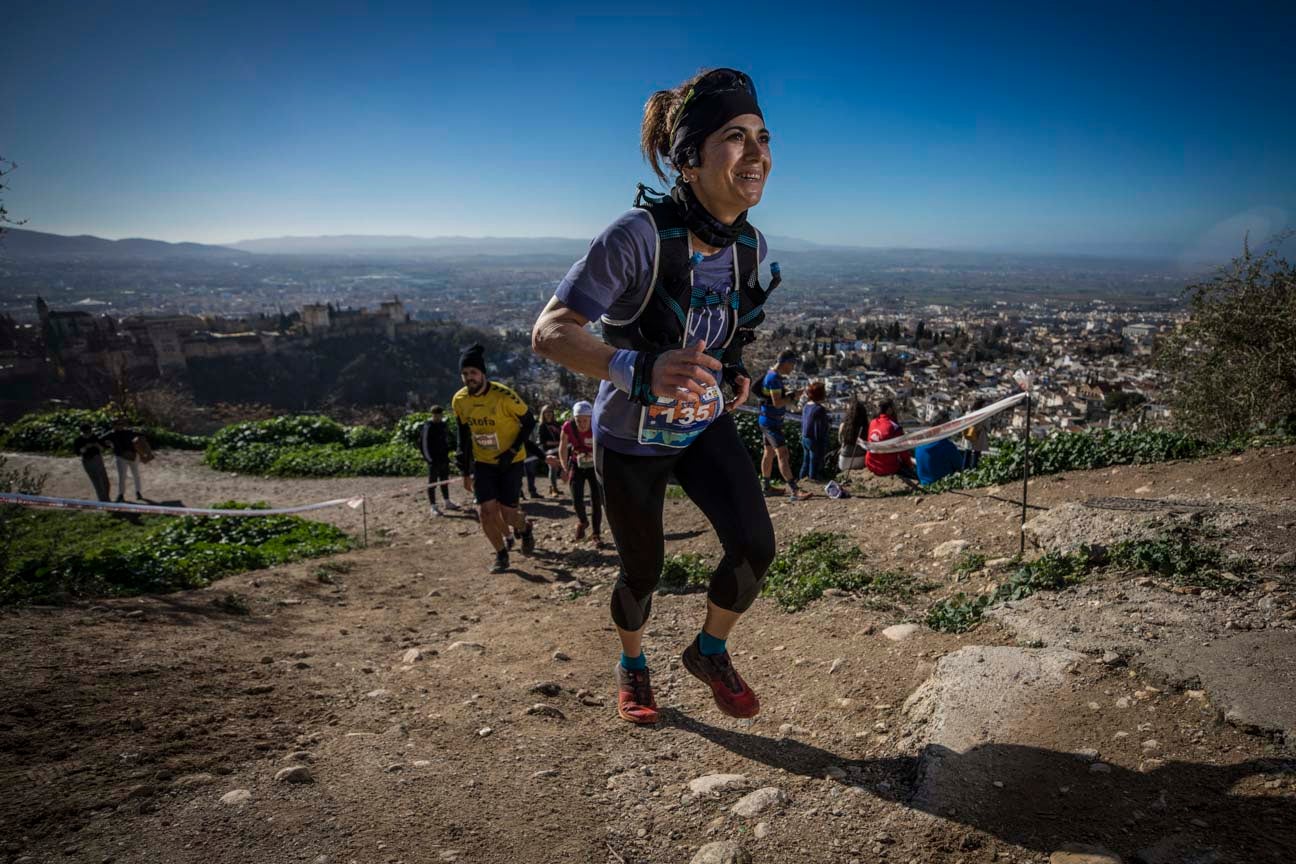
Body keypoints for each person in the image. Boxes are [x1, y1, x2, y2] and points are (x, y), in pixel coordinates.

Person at [532, 67, 779, 725]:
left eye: (762, 137)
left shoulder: (749, 247)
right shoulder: (636, 235)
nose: (757, 154)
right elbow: (549, 333)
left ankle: (708, 650)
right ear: (689, 160)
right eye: (736, 137)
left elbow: (721, 339)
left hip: (700, 427)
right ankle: (633, 664)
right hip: (631, 438)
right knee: (643, 573)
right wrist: (636, 369)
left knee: (756, 546)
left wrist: (730, 373)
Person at [451, 343, 538, 573]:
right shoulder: (459, 401)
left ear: (483, 374)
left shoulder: (504, 396)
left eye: (474, 373)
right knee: (485, 512)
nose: (470, 378)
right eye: (465, 374)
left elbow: (529, 421)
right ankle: (501, 554)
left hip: (510, 461)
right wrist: (465, 471)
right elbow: (463, 435)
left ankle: (525, 528)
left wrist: (511, 451)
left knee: (509, 516)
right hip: (483, 462)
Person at [759, 349, 811, 500]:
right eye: (793, 364)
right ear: (786, 363)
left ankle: (767, 487)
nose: (793, 367)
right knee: (783, 454)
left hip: (766, 419)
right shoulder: (774, 378)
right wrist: (794, 395)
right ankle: (794, 491)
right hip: (771, 423)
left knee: (768, 453)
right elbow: (777, 403)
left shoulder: (771, 374)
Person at [559, 400, 603, 544]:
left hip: (593, 465)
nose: (582, 424)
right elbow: (563, 447)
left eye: (585, 420)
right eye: (578, 420)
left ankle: (596, 534)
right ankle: (583, 522)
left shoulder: (597, 426)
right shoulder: (568, 427)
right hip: (576, 464)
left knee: (596, 500)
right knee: (576, 497)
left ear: (591, 418)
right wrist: (564, 467)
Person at [417, 406, 460, 516]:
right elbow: (423, 445)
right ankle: (433, 506)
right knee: (432, 483)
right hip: (433, 460)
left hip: (443, 459)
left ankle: (447, 502)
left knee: (444, 481)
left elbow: (446, 441)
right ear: (432, 415)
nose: (437, 417)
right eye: (435, 415)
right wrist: (429, 460)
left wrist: (449, 455)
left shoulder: (443, 425)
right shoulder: (428, 426)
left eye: (439, 415)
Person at [864, 399, 917, 483]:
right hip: (887, 467)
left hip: (870, 464)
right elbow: (903, 451)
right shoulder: (895, 427)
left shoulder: (873, 422)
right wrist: (909, 465)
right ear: (889, 410)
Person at [914, 412, 964, 486]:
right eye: (948, 425)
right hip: (943, 484)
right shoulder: (947, 446)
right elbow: (960, 466)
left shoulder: (919, 445)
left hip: (924, 484)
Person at [105, 418, 145, 502]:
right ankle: (121, 494)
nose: (120, 426)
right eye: (117, 424)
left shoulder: (129, 432)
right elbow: (101, 440)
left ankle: (138, 492)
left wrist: (138, 440)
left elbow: (142, 435)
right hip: (121, 457)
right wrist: (108, 444)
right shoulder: (111, 434)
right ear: (114, 426)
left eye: (121, 424)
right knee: (122, 476)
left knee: (136, 474)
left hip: (133, 456)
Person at [799, 380, 830, 484]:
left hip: (805, 437)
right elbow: (822, 427)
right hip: (814, 439)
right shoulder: (819, 409)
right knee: (814, 461)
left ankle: (802, 479)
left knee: (806, 460)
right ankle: (813, 479)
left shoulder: (806, 406)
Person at [73, 422, 111, 502]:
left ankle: (107, 499)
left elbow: (102, 449)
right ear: (82, 432)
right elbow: (78, 452)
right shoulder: (78, 440)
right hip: (88, 461)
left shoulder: (95, 437)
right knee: (98, 482)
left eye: (89, 432)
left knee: (105, 481)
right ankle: (103, 501)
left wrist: (97, 445)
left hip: (98, 459)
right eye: (86, 432)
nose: (88, 434)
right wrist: (85, 448)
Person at [837, 396, 870, 473]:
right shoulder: (867, 427)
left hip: (844, 462)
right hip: (861, 461)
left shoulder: (843, 425)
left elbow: (840, 441)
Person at [537, 405, 564, 496]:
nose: (548, 414)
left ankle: (553, 487)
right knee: (552, 469)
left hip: (558, 450)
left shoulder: (556, 424)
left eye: (550, 412)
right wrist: (558, 443)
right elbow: (543, 442)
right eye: (546, 412)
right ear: (543, 414)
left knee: (556, 469)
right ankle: (554, 489)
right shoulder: (542, 426)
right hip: (549, 451)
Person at [962, 398, 989, 470]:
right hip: (978, 434)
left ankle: (964, 469)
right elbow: (987, 426)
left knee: (967, 452)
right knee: (976, 453)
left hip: (968, 433)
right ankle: (973, 469)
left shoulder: (968, 413)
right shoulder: (982, 414)